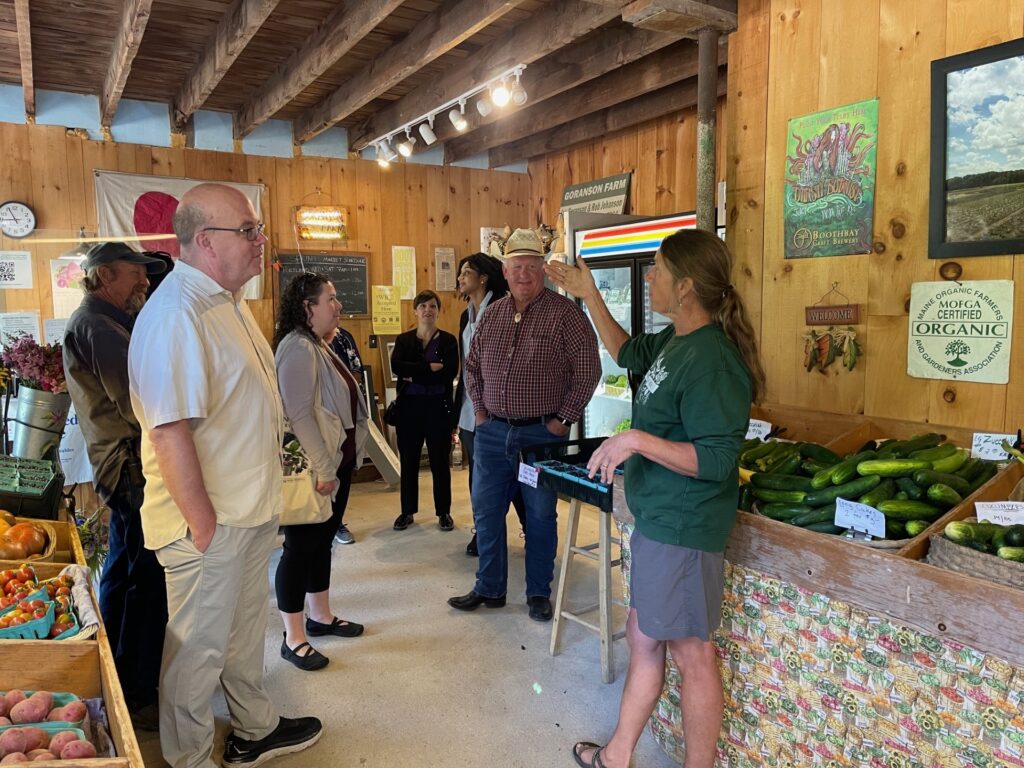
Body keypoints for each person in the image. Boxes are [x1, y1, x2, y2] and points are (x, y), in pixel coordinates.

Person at [545, 229, 766, 768]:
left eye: (658, 271)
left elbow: (717, 461)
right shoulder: (674, 341)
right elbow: (622, 351)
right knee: (641, 636)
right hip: (660, 521)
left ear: (686, 286)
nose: (649, 278)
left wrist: (637, 439)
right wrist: (589, 291)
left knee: (693, 655)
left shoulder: (713, 360)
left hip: (684, 528)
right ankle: (619, 753)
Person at [128, 183, 322, 768]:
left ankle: (254, 727)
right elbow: (168, 432)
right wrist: (205, 528)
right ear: (205, 241)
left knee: (239, 638)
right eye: (249, 231)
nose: (262, 240)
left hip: (247, 514)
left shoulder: (226, 304)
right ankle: (186, 760)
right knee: (196, 655)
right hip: (208, 526)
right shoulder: (176, 314)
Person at [448, 228, 600, 622]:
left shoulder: (565, 314)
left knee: (538, 516)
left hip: (539, 438)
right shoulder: (494, 313)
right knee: (486, 512)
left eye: (532, 267)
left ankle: (538, 593)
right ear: (505, 269)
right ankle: (489, 587)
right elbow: (472, 366)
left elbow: (588, 371)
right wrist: (480, 411)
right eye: (517, 267)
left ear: (544, 271)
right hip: (493, 432)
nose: (524, 275)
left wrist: (563, 419)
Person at [63, 241, 168, 729]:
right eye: (135, 274)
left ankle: (120, 678)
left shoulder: (101, 322)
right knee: (146, 580)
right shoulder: (99, 327)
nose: (144, 282)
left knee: (126, 571)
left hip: (116, 465)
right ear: (105, 277)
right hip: (129, 466)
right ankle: (140, 692)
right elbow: (138, 404)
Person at [273, 272, 368, 671]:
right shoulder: (297, 347)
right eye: (330, 299)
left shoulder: (317, 344)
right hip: (317, 469)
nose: (338, 305)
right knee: (299, 549)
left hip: (334, 465)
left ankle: (321, 616)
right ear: (307, 307)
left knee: (321, 542)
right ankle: (293, 638)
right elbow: (298, 414)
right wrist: (326, 467)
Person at [453, 253, 526, 557]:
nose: (460, 278)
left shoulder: (503, 309)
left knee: (515, 474)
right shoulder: (465, 314)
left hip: (499, 407)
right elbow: (465, 364)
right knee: (478, 475)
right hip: (470, 408)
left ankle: (529, 526)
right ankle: (481, 531)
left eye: (466, 272)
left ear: (483, 277)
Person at [390, 289, 459, 531]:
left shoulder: (449, 340)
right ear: (415, 310)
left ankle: (444, 512)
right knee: (409, 460)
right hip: (409, 409)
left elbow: (450, 372)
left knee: (440, 461)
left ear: (438, 311)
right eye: (423, 306)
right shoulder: (404, 340)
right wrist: (430, 368)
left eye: (432, 306)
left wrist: (415, 373)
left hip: (438, 408)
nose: (427, 311)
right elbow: (397, 366)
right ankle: (407, 511)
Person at [328, 324, 364, 545]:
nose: (338, 306)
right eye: (330, 300)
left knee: (344, 470)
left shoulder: (344, 337)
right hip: (317, 423)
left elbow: (356, 371)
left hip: (345, 419)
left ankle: (337, 522)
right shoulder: (300, 342)